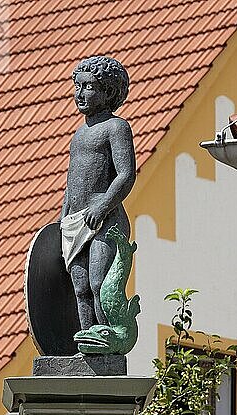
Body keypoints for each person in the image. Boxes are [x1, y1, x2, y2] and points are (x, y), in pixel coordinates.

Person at [60, 55, 136, 330]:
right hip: (75, 221)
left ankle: (107, 340)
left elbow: (126, 175)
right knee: (79, 287)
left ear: (108, 91)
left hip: (104, 220)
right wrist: (63, 215)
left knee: (99, 283)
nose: (80, 94)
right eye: (77, 86)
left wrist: (103, 205)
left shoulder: (116, 127)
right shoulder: (79, 134)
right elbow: (72, 180)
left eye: (89, 87)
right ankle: (87, 342)